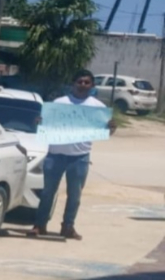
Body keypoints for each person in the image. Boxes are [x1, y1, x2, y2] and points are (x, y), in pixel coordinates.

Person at [27, 69, 113, 240]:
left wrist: (112, 127)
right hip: (55, 155)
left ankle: (68, 227)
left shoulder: (98, 108)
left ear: (92, 85)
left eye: (86, 82)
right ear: (73, 84)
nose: (82, 85)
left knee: (75, 195)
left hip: (80, 157)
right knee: (47, 193)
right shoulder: (60, 103)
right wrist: (40, 123)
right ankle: (39, 225)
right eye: (79, 82)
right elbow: (43, 126)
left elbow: (106, 133)